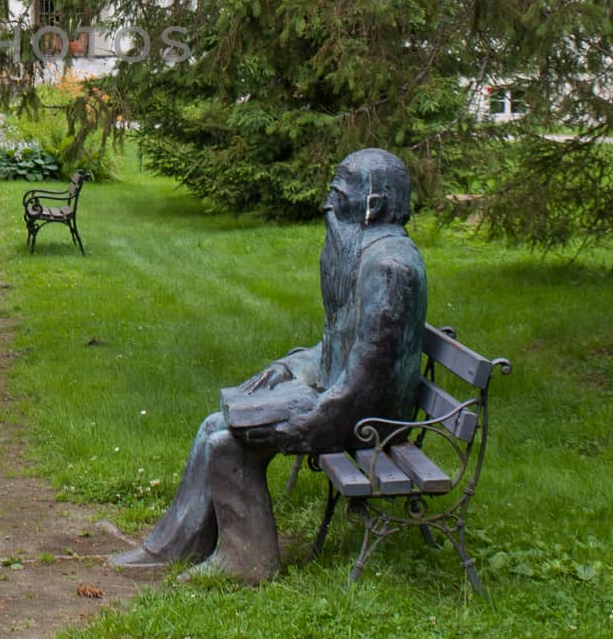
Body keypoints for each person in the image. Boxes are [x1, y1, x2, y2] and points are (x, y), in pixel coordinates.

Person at [112, 148, 428, 582]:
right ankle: (174, 546)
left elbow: (366, 381)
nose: (328, 205)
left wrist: (305, 424)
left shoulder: (390, 267)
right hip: (342, 399)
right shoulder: (364, 256)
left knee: (230, 443)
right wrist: (289, 369)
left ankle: (246, 562)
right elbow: (334, 348)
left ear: (372, 202)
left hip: (366, 419)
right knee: (212, 424)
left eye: (339, 193)